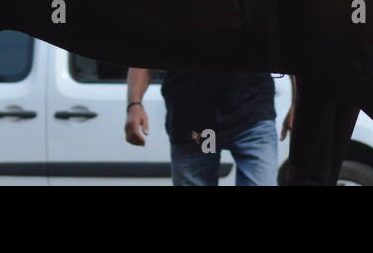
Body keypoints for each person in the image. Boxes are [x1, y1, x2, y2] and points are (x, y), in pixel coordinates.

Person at [124, 67, 294, 186]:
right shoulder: (167, 15)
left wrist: (298, 103)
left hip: (250, 114)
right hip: (199, 124)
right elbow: (144, 56)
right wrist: (134, 103)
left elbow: (289, 46)